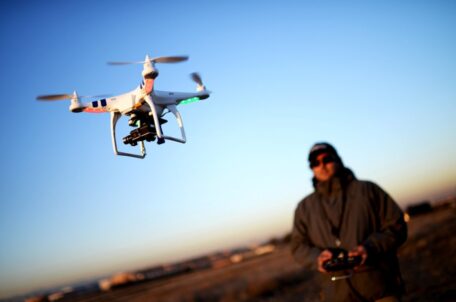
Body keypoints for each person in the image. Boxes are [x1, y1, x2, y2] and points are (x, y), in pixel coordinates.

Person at [291, 142, 407, 302]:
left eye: (326, 159)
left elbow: (396, 225)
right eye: (315, 163)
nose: (322, 166)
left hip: (379, 288)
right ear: (311, 168)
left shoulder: (368, 190)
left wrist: (369, 248)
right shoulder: (304, 208)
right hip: (336, 294)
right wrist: (317, 258)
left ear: (338, 159)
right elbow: (298, 246)